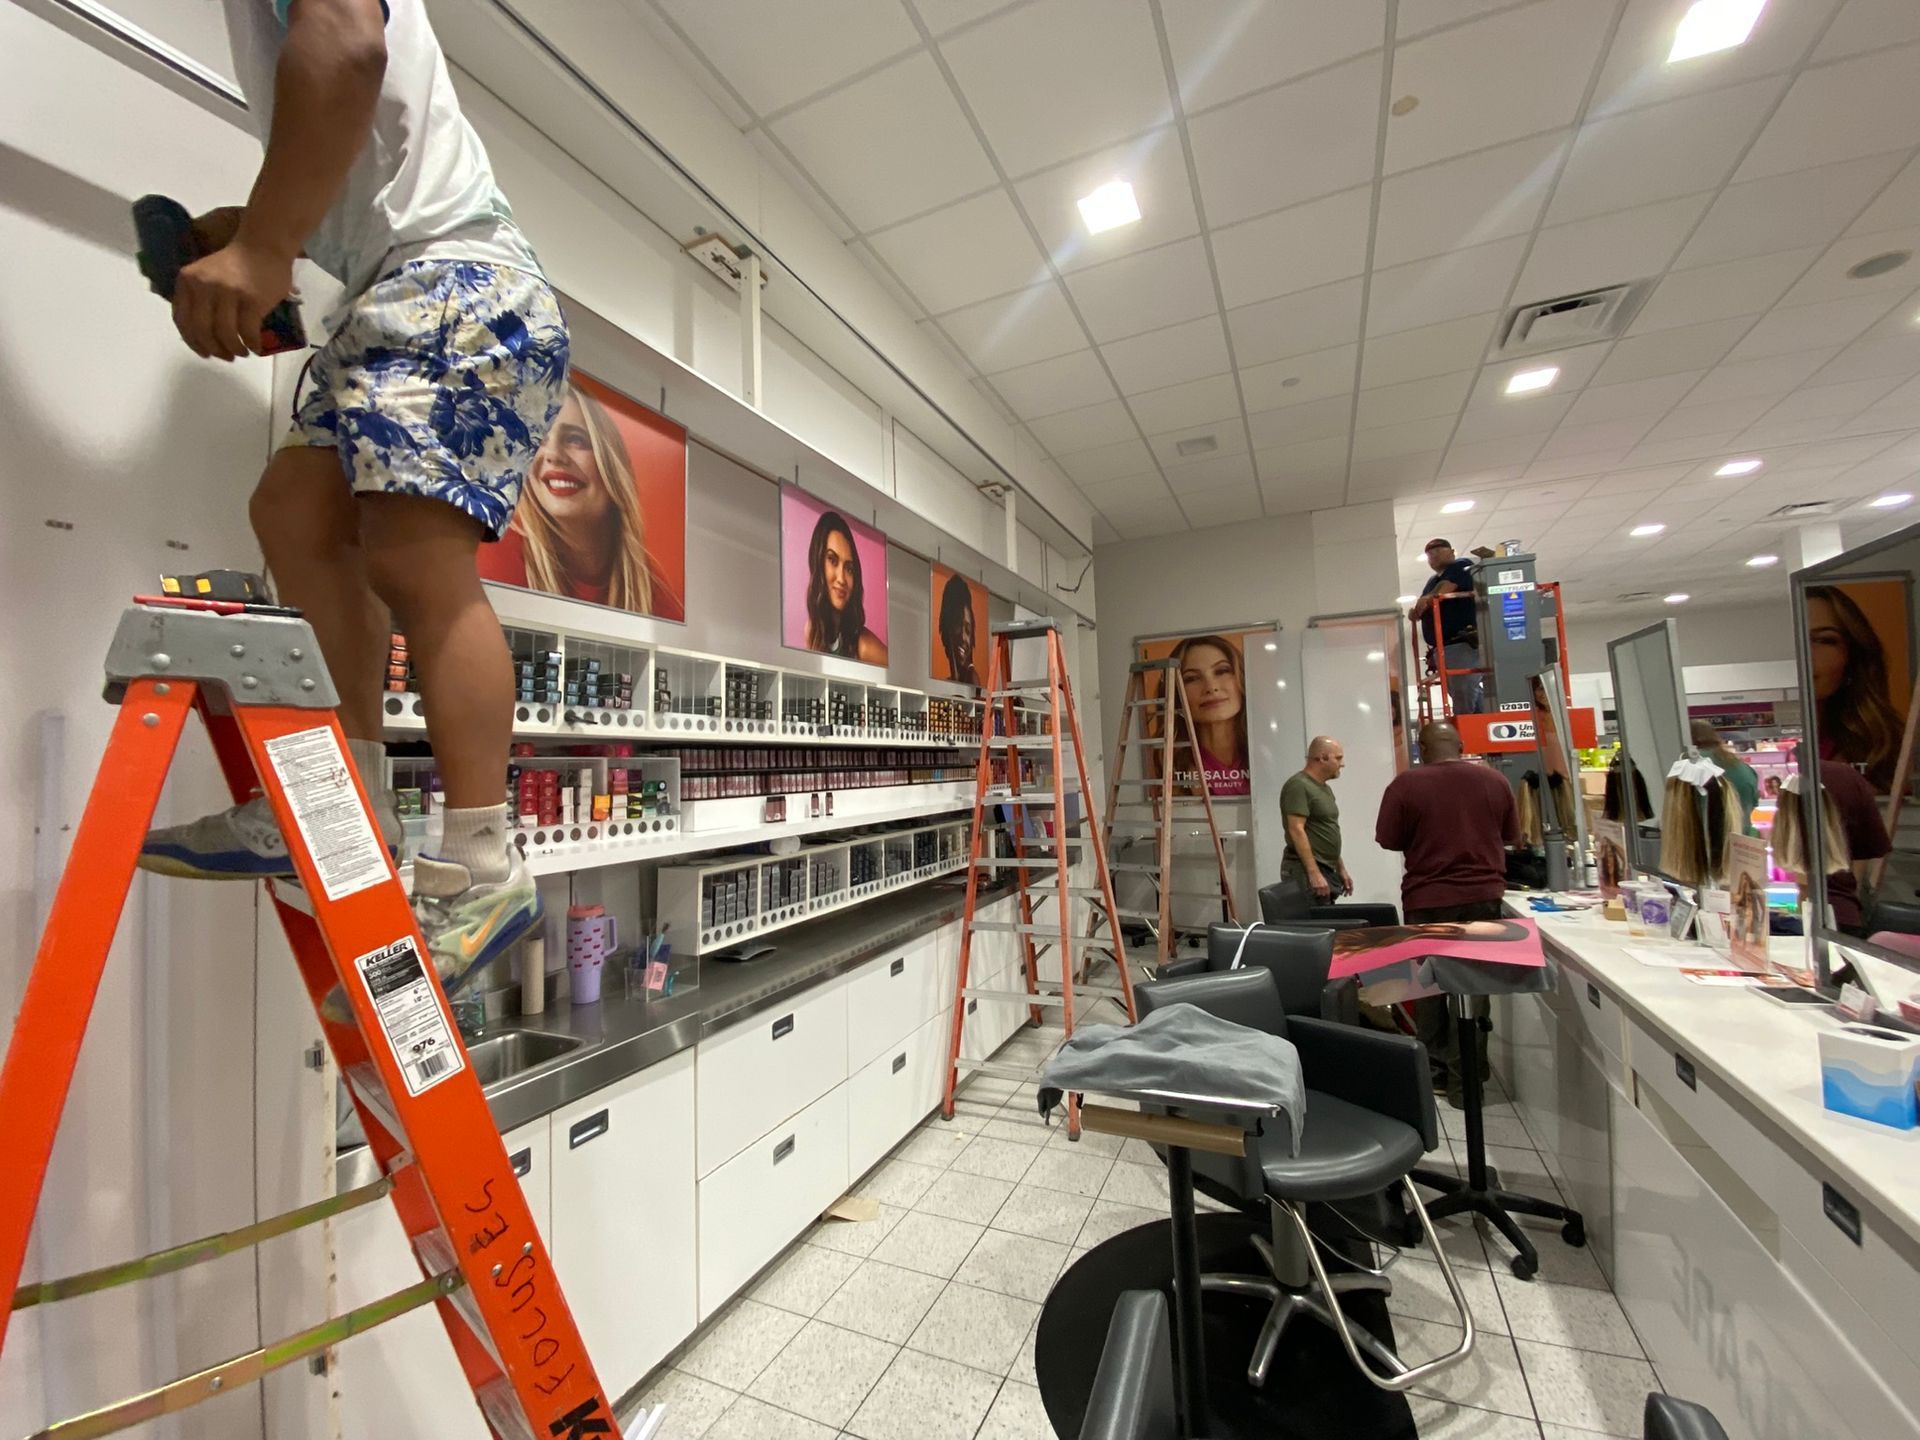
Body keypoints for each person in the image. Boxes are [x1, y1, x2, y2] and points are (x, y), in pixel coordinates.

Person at [139, 0, 569, 1005]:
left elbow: (349, 42)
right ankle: (347, 811)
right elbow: (356, 153)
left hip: (453, 280)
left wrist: (263, 249)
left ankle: (481, 869)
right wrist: (248, 230)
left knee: (415, 560)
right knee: (293, 508)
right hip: (396, 286)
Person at [1375, 721, 1520, 1103]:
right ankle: (1467, 1085)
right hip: (1484, 899)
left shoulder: (1405, 785)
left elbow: (1388, 839)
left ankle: (1436, 1073)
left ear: (1421, 748)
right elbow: (1510, 836)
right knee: (1474, 989)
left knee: (1428, 987)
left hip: (1427, 900)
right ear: (1460, 744)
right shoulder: (1494, 782)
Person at [492, 381, 683, 618]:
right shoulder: (498, 553)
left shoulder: (647, 584)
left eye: (575, 439)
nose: (552, 455)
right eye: (539, 439)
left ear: (610, 463)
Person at [1807, 585, 1904, 793]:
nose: (1806, 655)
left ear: (1853, 656)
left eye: (1825, 640)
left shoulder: (1886, 746)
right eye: (1794, 639)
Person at [1167, 634, 1250, 798]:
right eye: (1192, 678)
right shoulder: (1165, 765)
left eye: (1222, 671)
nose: (1211, 688)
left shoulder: (1269, 755)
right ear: (1176, 693)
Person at [1816, 758, 1891, 936]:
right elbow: (1863, 852)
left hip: (1768, 917)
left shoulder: (1839, 775)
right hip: (1839, 913)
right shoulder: (1843, 775)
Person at [1409, 538, 1484, 716]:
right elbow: (1421, 607)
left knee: (1463, 689)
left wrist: (1427, 599)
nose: (1433, 557)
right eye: (1429, 555)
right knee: (1460, 688)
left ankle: (1467, 726)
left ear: (1451, 552)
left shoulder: (1460, 566)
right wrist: (1417, 610)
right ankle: (1476, 720)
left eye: (1438, 551)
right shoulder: (1432, 580)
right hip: (1443, 647)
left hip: (1460, 642)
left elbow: (1442, 590)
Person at [803, 511, 887, 664]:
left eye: (849, 568)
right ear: (818, 562)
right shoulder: (812, 631)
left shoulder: (865, 647)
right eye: (832, 560)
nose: (842, 579)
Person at [1280, 736, 1351, 901]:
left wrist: (1340, 868)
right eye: (1338, 758)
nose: (1342, 763)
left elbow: (1325, 829)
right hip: (1305, 869)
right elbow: (1296, 829)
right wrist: (1314, 873)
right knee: (1315, 922)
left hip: (1326, 867)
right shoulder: (1299, 786)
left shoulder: (1324, 789)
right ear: (1322, 758)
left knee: (1329, 919)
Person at [1691, 719, 1759, 837]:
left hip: (1707, 844)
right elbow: (1752, 804)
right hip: (1742, 842)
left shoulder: (1690, 764)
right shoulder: (1743, 767)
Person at [936, 572, 980, 687]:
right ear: (947, 628)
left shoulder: (972, 678)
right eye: (957, 625)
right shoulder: (952, 681)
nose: (963, 637)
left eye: (968, 630)